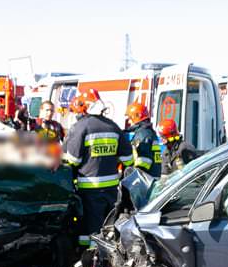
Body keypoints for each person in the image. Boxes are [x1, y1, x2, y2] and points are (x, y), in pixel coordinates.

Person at [63, 89, 132, 247]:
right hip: (112, 189)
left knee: (91, 229)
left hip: (89, 189)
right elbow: (128, 159)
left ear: (83, 107)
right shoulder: (113, 127)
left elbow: (72, 160)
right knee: (109, 227)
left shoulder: (80, 127)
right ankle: (109, 259)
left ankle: (93, 263)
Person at [124, 99, 161, 177]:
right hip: (152, 175)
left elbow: (145, 160)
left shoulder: (142, 134)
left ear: (136, 116)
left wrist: (132, 172)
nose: (129, 122)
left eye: (130, 118)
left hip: (146, 178)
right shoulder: (148, 132)